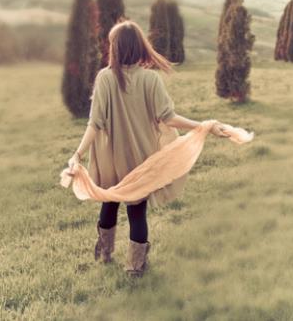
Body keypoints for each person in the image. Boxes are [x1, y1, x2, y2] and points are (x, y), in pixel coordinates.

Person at [67, 20, 229, 278]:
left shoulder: (105, 78)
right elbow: (169, 118)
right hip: (142, 160)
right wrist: (204, 125)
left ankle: (105, 253)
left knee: (109, 203)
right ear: (139, 46)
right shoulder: (150, 80)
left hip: (111, 159)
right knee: (136, 211)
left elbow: (94, 125)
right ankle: (135, 267)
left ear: (116, 48)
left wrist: (78, 154)